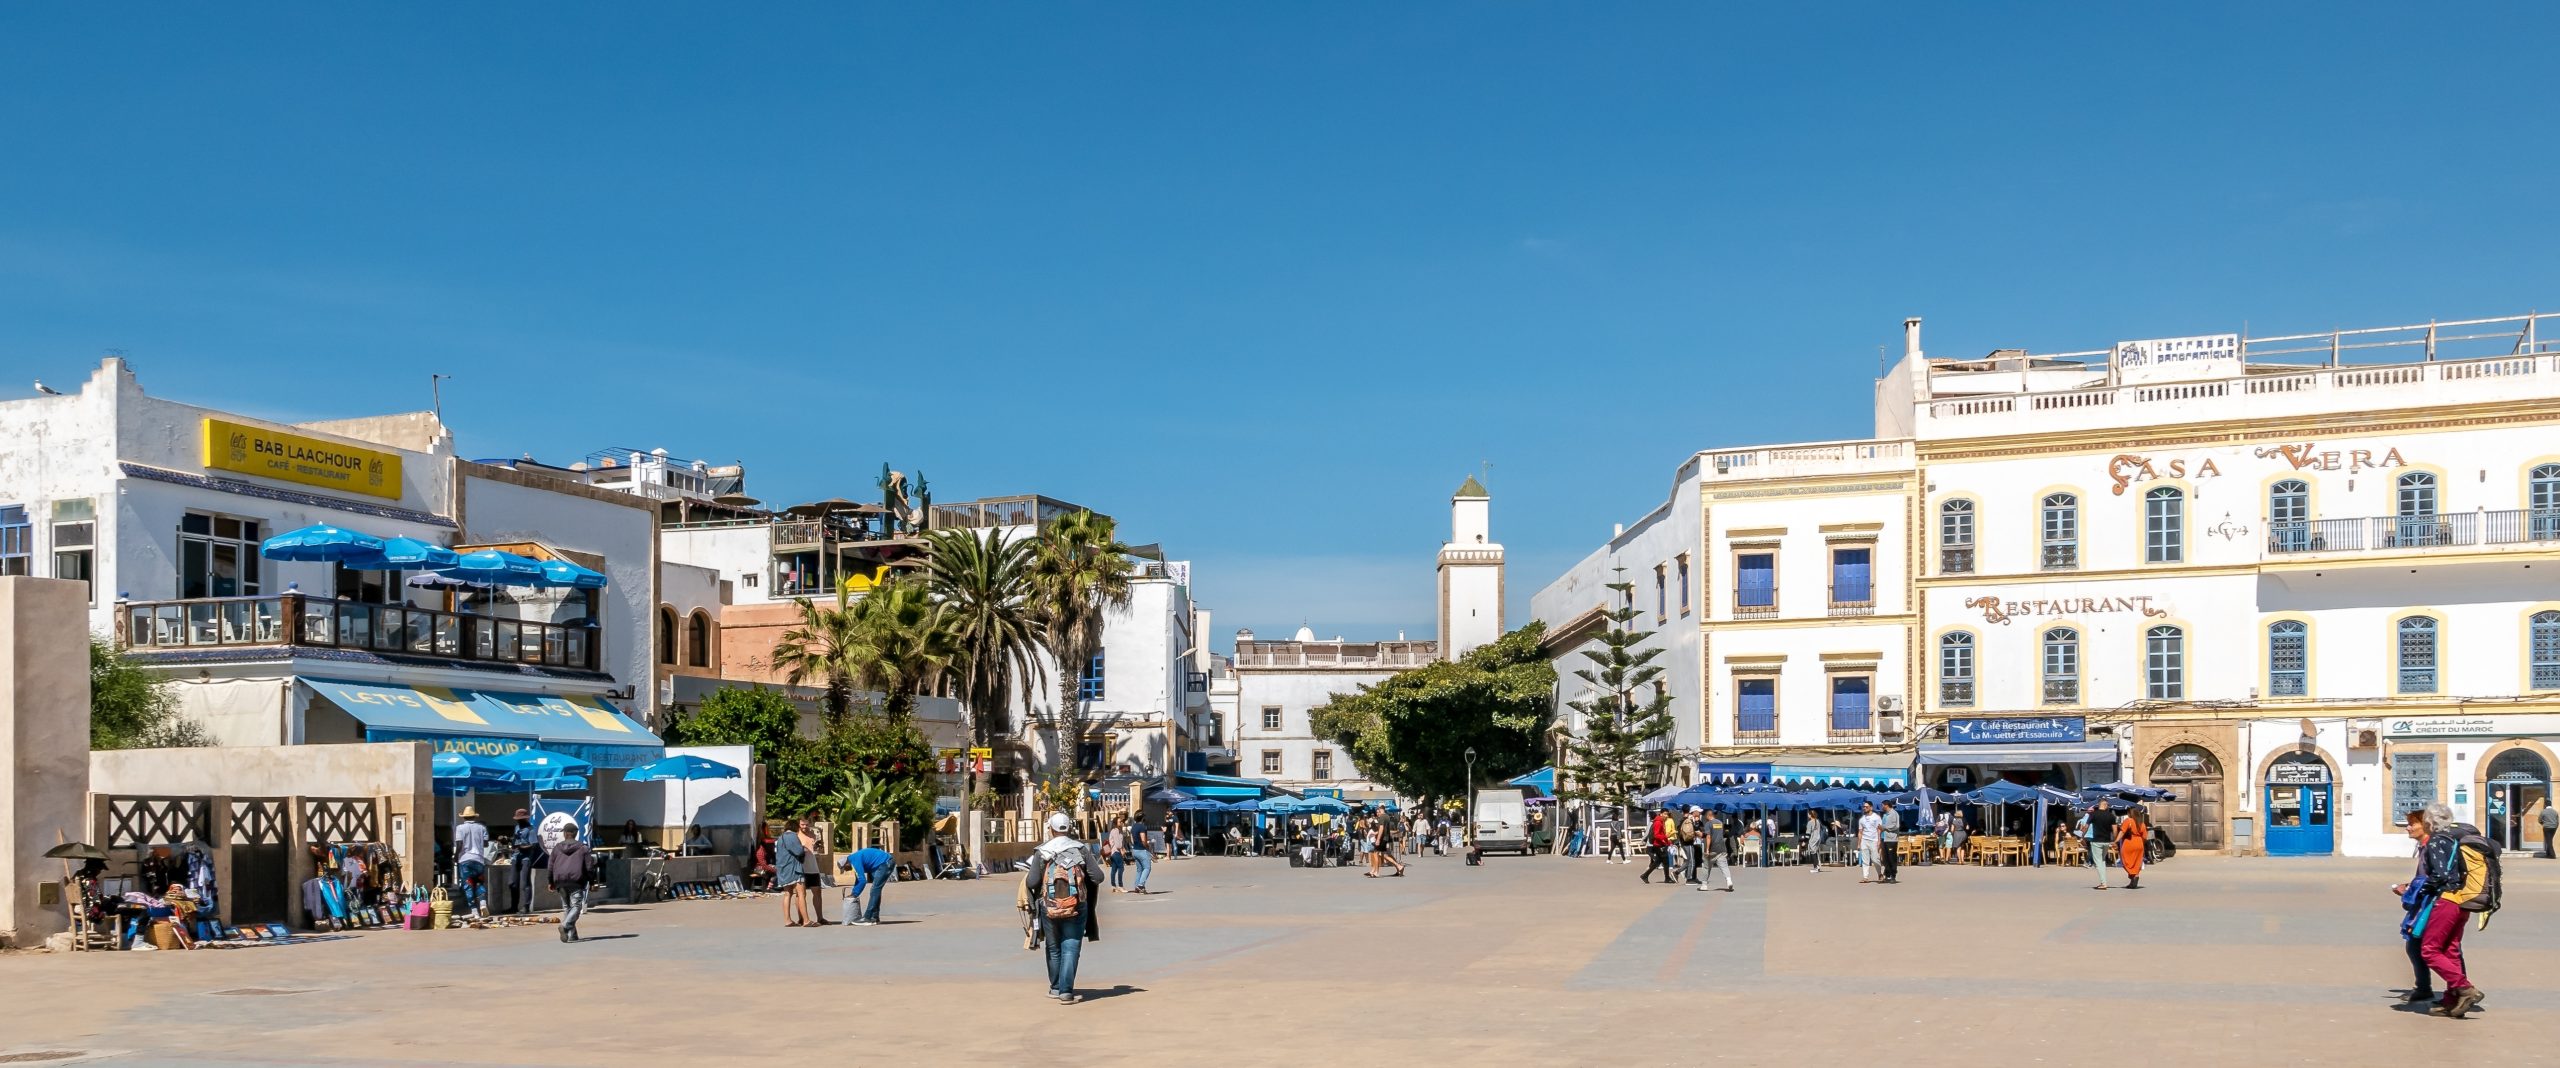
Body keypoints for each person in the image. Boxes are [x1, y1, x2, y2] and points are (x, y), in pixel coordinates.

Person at [2409, 801, 2489, 1018]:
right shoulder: (2452, 839)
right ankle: (2451, 1001)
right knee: (2450, 950)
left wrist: (2417, 890)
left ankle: (2465, 988)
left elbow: (2441, 875)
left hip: (2446, 901)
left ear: (2429, 821)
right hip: (2461, 902)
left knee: (2430, 950)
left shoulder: (2436, 842)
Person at [1024, 812, 1103, 1003]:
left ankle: (1056, 987)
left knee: (1053, 947)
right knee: (1071, 946)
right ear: (1069, 828)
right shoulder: (1080, 849)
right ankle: (1066, 992)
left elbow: (1032, 881)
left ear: (1050, 829)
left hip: (1048, 907)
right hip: (1077, 905)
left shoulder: (1042, 851)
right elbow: (1098, 877)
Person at [2391, 808, 2453, 1006]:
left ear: (2425, 825)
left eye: (2412, 823)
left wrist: (2408, 891)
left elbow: (2432, 877)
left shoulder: (2431, 846)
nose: (2408, 827)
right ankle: (2427, 987)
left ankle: (2458, 988)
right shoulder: (2425, 846)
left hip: (2436, 904)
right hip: (2431, 901)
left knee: (2432, 948)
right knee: (2418, 946)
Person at [548, 827, 592, 943]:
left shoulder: (557, 848)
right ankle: (565, 926)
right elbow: (589, 867)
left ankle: (572, 935)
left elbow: (550, 866)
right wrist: (592, 882)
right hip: (576, 881)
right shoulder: (583, 848)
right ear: (576, 834)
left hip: (560, 881)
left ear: (564, 833)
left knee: (567, 907)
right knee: (576, 906)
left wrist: (550, 882)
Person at [839, 844, 893, 926]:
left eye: (845, 868)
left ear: (846, 863)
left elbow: (862, 880)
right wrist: (854, 892)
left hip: (885, 863)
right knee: (876, 890)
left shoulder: (854, 861)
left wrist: (855, 894)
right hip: (882, 863)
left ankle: (868, 917)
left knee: (875, 889)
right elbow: (858, 878)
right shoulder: (853, 859)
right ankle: (874, 917)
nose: (846, 870)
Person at [453, 806, 490, 919]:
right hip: (478, 860)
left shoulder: (460, 828)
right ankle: (483, 903)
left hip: (465, 860)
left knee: (468, 885)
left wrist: (455, 856)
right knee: (479, 883)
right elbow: (486, 844)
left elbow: (459, 844)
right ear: (474, 816)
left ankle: (475, 911)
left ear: (464, 817)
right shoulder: (482, 828)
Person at [774, 819, 812, 927]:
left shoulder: (781, 838)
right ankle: (806, 920)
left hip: (783, 869)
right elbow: (798, 851)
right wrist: (803, 849)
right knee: (801, 894)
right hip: (794, 868)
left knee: (787, 894)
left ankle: (787, 920)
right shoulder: (792, 837)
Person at [508, 809, 543, 915]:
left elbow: (534, 845)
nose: (518, 822)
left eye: (520, 820)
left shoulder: (531, 829)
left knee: (525, 883)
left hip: (525, 858)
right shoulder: (517, 828)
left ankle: (526, 906)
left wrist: (522, 847)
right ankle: (513, 906)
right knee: (512, 883)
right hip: (515, 857)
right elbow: (515, 840)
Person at [1695, 811, 1736, 892]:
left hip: (1712, 849)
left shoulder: (1708, 824)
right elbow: (1716, 834)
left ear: (1708, 815)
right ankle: (1729, 881)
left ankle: (1704, 885)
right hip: (1721, 848)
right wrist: (1702, 835)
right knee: (1724, 866)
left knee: (1706, 867)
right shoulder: (1720, 823)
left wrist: (1707, 849)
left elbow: (1709, 837)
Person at [2113, 804, 2148, 890]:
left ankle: (2133, 877)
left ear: (2130, 813)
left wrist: (2116, 841)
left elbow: (2122, 832)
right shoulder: (2141, 823)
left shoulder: (2128, 821)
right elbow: (2145, 837)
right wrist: (2141, 844)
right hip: (2139, 843)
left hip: (2129, 842)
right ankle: (2135, 878)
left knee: (2125, 860)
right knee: (2137, 861)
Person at [1365, 812, 1407, 878]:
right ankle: (1398, 868)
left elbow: (1382, 831)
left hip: (1383, 840)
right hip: (1385, 840)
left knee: (1384, 855)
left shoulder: (1381, 822)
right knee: (1386, 855)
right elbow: (1387, 831)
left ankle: (1398, 867)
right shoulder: (1384, 822)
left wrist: (1378, 838)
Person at [2085, 800, 2116, 890]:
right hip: (2106, 841)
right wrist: (2114, 840)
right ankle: (2103, 881)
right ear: (2105, 805)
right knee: (2102, 861)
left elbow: (2086, 826)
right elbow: (2115, 829)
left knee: (2098, 862)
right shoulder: (2111, 816)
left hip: (2096, 841)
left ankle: (2103, 883)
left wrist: (2082, 835)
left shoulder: (2093, 814)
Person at [1639, 808, 1674, 884]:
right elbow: (1656, 835)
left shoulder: (1661, 821)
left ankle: (1645, 875)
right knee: (1666, 862)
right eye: (1665, 814)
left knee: (1657, 862)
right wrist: (1665, 838)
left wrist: (1667, 842)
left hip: (1660, 844)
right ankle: (1667, 878)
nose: (1666, 816)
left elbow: (1662, 834)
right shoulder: (1658, 822)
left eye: (1667, 814)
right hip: (1658, 845)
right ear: (1660, 814)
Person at [1856, 802, 1882, 884]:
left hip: (1874, 840)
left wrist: (1879, 840)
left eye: (1866, 807)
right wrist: (1859, 843)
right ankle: (1865, 877)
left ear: (1871, 807)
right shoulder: (1862, 819)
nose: (1864, 808)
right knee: (1865, 860)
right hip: (1864, 840)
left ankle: (1880, 874)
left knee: (1875, 859)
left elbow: (1879, 830)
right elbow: (1860, 832)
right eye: (1863, 807)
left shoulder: (1876, 817)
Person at [1128, 817, 1155, 895]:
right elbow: (1143, 840)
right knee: (1147, 868)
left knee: (1139, 869)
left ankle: (1136, 886)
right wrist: (1147, 847)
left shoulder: (1133, 827)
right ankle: (1141, 885)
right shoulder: (1142, 827)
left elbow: (1132, 840)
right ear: (1143, 819)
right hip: (1142, 850)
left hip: (1135, 850)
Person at [1104, 817, 1128, 892]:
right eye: (1119, 822)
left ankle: (1113, 886)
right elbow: (1118, 844)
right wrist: (1122, 850)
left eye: (1121, 821)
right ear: (1115, 823)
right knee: (1121, 868)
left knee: (1114, 869)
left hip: (1114, 852)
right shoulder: (1115, 831)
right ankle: (1120, 886)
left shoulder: (1119, 830)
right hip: (1116, 852)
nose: (1121, 823)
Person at [1879, 805, 1901, 884]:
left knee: (1892, 858)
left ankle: (1893, 875)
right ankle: (1887, 874)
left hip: (1891, 839)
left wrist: (1884, 828)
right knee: (1885, 858)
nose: (1882, 807)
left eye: (1882, 805)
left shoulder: (1894, 814)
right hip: (1884, 838)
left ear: (1886, 805)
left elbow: (1896, 826)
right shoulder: (1885, 815)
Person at [1806, 809, 1828, 874]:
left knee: (1813, 853)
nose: (1807, 815)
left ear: (1810, 815)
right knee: (1815, 852)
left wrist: (1805, 841)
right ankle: (1817, 866)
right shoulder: (1818, 821)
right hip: (1818, 838)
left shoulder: (1809, 822)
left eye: (1808, 814)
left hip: (1812, 839)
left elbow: (1808, 833)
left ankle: (1816, 867)